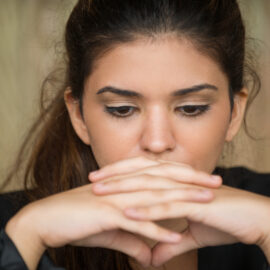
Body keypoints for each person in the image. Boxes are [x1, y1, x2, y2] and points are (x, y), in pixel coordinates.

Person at [0, 0, 269, 269]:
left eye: (191, 108)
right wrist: (26, 238)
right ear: (79, 115)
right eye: (122, 110)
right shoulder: (15, 227)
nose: (156, 142)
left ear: (234, 113)